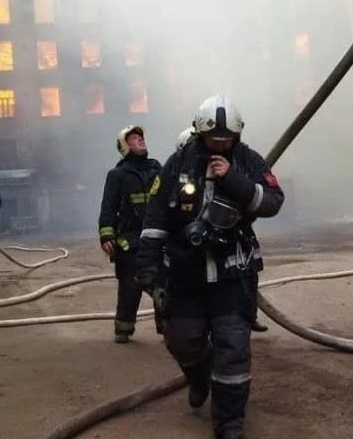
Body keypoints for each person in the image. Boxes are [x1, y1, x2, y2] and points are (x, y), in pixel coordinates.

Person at [137, 95, 285, 439]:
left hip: (232, 278)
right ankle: (199, 378)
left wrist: (234, 178)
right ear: (199, 133)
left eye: (227, 139)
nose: (220, 145)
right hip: (185, 278)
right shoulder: (177, 164)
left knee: (233, 350)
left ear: (237, 136)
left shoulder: (247, 160)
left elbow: (274, 201)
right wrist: (148, 267)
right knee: (182, 341)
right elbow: (156, 217)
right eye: (214, 139)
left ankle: (229, 423)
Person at [177, 126, 268, 333]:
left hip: (235, 243)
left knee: (246, 281)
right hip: (191, 249)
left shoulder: (234, 166)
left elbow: (269, 200)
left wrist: (233, 179)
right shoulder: (177, 171)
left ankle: (248, 317)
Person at [98, 125, 162, 343]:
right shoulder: (117, 175)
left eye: (141, 137)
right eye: (134, 138)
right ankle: (123, 329)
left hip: (156, 237)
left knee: (163, 284)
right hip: (130, 239)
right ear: (125, 147)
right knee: (129, 286)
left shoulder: (157, 169)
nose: (141, 141)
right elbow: (108, 207)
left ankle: (167, 329)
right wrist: (106, 236)